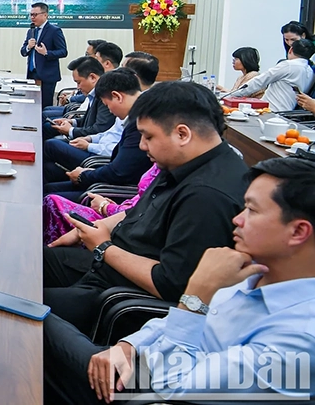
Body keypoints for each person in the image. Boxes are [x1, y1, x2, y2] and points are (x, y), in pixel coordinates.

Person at [45, 156, 315, 404]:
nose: (237, 219)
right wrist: (130, 345)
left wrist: (196, 296)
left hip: (158, 390)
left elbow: (173, 386)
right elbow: (173, 324)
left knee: (34, 320)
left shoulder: (301, 340)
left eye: (252, 211)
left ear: (298, 232)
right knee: (32, 314)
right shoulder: (252, 270)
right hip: (148, 363)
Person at [43, 80, 248, 334]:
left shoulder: (207, 196)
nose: (142, 145)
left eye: (148, 136)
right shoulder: (183, 161)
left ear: (182, 134)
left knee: (22, 305)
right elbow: (138, 210)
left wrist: (104, 247)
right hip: (110, 266)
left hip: (119, 297)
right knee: (30, 262)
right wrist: (95, 228)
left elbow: (170, 284)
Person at [44, 69, 151, 195]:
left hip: (113, 190)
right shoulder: (131, 113)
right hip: (105, 173)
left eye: (107, 105)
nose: (110, 111)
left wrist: (84, 175)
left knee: (49, 194)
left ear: (117, 96)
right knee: (48, 175)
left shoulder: (139, 124)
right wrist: (90, 139)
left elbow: (119, 171)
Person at [44, 165, 160, 246]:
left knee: (52, 201)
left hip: (123, 233)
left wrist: (105, 207)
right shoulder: (160, 166)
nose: (143, 145)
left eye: (148, 138)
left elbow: (119, 172)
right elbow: (139, 201)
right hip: (120, 213)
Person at [224, 38, 315, 112]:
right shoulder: (311, 72)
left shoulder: (288, 65)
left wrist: (229, 96)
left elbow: (260, 81)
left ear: (290, 49)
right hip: (287, 113)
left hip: (271, 110)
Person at [43, 56, 115, 141]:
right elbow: (89, 120)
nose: (78, 87)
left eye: (79, 82)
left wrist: (70, 130)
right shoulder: (94, 93)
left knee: (51, 143)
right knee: (48, 127)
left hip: (91, 144)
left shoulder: (105, 96)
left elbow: (99, 130)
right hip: (85, 137)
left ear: (92, 77)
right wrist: (72, 122)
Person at [20, 3, 68, 108]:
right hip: (32, 74)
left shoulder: (54, 31)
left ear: (45, 15)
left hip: (47, 76)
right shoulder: (31, 31)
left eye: (35, 15)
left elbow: (63, 51)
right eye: (31, 14)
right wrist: (28, 47)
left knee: (44, 107)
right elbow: (23, 52)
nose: (32, 17)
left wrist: (46, 53)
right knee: (30, 105)